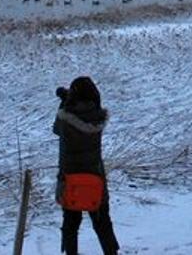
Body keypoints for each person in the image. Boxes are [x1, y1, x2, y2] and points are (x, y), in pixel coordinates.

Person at [53, 76, 120, 255]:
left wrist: (64, 101)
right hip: (96, 175)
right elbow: (85, 111)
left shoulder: (66, 119)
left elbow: (56, 129)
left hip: (70, 176)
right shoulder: (98, 118)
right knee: (102, 221)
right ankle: (112, 252)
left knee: (70, 224)